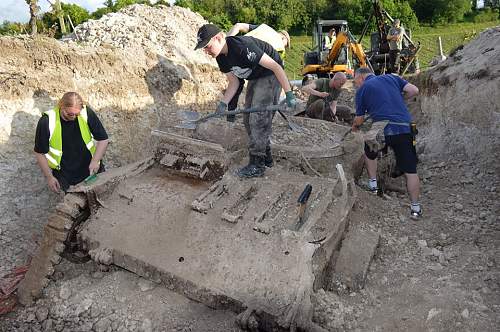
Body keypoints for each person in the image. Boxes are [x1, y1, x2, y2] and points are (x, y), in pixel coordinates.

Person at [194, 24, 296, 178]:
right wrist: (224, 103)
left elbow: (276, 67)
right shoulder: (221, 59)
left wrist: (288, 94)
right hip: (255, 76)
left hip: (270, 74)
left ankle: (257, 165)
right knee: (248, 120)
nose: (206, 51)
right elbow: (234, 83)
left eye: (207, 46)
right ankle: (266, 157)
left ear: (219, 38)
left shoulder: (242, 46)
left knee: (258, 118)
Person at [352, 67, 421, 219]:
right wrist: (400, 99)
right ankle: (415, 208)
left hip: (382, 127)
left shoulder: (363, 89)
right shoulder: (391, 77)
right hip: (405, 127)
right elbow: (414, 90)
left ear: (361, 77)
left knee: (369, 150)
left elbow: (359, 119)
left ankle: (373, 185)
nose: (355, 84)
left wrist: (354, 127)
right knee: (411, 170)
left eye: (355, 81)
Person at [34, 92, 109, 192]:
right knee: (76, 204)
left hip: (90, 169)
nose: (73, 117)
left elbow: (103, 139)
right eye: (70, 114)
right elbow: (39, 152)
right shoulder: (47, 121)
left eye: (76, 114)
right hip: (66, 176)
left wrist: (95, 161)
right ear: (61, 106)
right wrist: (49, 177)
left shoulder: (86, 113)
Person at [225, 23, 290, 122]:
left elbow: (238, 25)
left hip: (237, 54)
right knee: (267, 92)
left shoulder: (263, 28)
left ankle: (230, 116)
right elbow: (277, 70)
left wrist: (227, 42)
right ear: (284, 38)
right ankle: (261, 120)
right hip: (258, 62)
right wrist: (286, 92)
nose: (285, 47)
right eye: (287, 44)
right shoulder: (279, 46)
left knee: (237, 84)